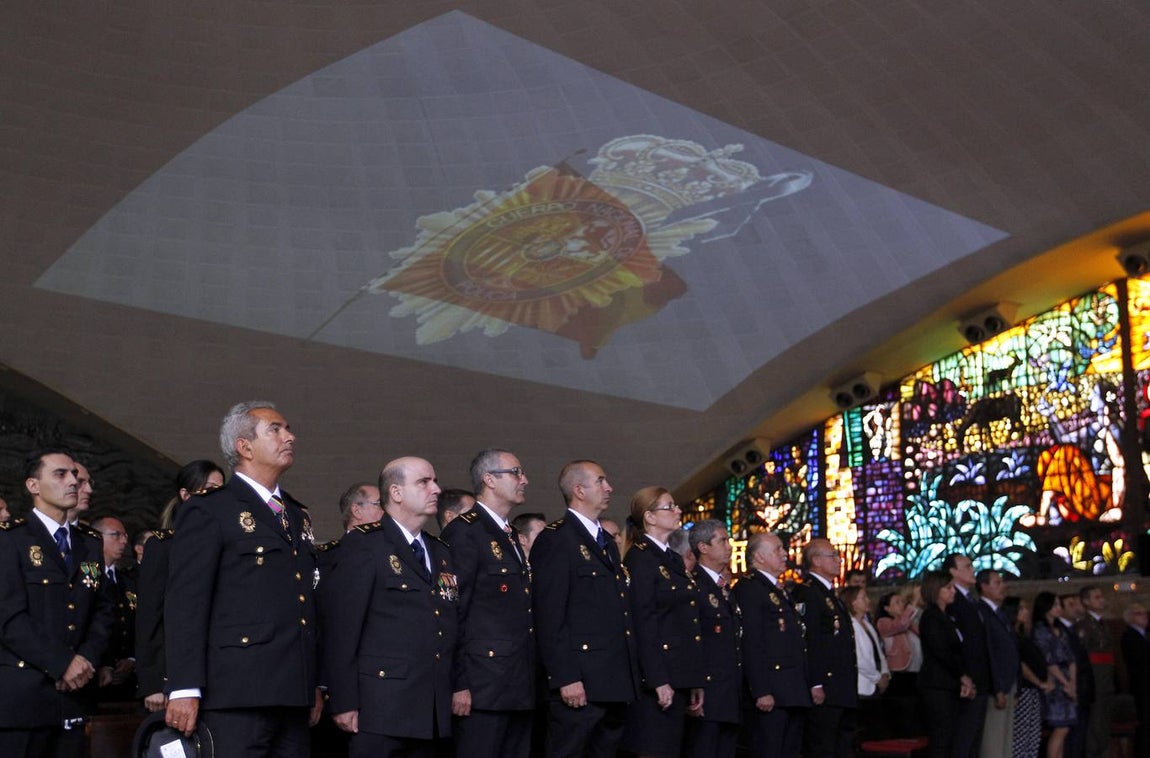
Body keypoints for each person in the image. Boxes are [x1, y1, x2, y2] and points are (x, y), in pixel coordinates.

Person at [164, 401, 321, 756]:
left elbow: (304, 601)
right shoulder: (210, 509)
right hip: (237, 692)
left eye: (288, 429)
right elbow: (186, 602)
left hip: (292, 690)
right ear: (244, 447)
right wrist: (184, 687)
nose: (289, 437)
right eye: (275, 430)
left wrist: (311, 682)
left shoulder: (295, 514)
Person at [322, 456, 459, 758]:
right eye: (423, 482)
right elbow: (343, 630)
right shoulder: (366, 545)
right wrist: (344, 700)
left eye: (435, 481)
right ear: (396, 493)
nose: (436, 489)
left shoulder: (439, 551)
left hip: (430, 710)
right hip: (380, 708)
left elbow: (447, 624)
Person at [0, 447, 115, 758]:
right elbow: (9, 618)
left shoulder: (89, 543)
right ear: (33, 485)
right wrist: (62, 663)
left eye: (74, 474)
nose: (73, 482)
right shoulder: (11, 539)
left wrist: (86, 659)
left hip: (74, 697)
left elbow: (102, 609)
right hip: (25, 699)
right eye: (60, 474)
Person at [531, 460, 639, 758]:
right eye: (600, 481)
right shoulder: (557, 538)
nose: (609, 488)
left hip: (612, 681)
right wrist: (565, 677)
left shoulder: (605, 542)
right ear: (579, 490)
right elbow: (549, 615)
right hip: (580, 682)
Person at [440, 449, 535, 758]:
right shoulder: (465, 532)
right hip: (482, 685)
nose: (524, 480)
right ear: (489, 480)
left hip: (516, 681)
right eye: (516, 472)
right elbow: (453, 611)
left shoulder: (509, 534)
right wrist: (459, 682)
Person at [619, 487, 705, 758]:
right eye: (669, 507)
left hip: (678, 674)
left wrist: (693, 678)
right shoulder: (640, 557)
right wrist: (657, 679)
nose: (678, 511)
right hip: (657, 679)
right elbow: (643, 623)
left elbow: (685, 620)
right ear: (650, 517)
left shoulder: (672, 558)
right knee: (654, 747)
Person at [134, 459, 224, 713]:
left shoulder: (225, 544)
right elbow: (150, 618)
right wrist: (154, 680)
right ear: (186, 495)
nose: (217, 496)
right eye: (209, 489)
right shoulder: (163, 546)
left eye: (221, 489)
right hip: (174, 676)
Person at [732, 531, 810, 757]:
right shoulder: (749, 588)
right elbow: (752, 641)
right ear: (759, 557)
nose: (784, 554)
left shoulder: (776, 589)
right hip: (772, 692)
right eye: (777, 549)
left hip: (791, 689)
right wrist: (761, 690)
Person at [791, 538, 857, 758]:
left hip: (841, 686)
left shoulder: (828, 593)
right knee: (823, 746)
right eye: (833, 555)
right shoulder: (808, 592)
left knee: (843, 745)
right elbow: (810, 640)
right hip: (826, 686)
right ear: (816, 560)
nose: (838, 560)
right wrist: (815, 682)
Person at [683, 519, 741, 758]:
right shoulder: (693, 584)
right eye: (722, 541)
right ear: (703, 547)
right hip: (707, 691)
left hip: (729, 691)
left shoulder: (723, 587)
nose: (729, 546)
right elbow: (692, 640)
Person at [918, 569, 975, 758]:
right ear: (936, 590)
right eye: (948, 587)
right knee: (941, 739)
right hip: (938, 685)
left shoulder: (948, 616)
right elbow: (941, 651)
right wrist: (962, 675)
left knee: (952, 738)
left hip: (950, 684)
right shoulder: (931, 617)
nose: (953, 591)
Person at [943, 553, 990, 758]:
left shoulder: (971, 600)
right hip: (967, 680)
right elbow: (958, 644)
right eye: (967, 566)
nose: (973, 570)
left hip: (980, 678)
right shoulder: (953, 602)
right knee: (964, 740)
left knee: (974, 742)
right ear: (953, 571)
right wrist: (965, 676)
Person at [91, 515, 137, 701]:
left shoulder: (129, 581)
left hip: (128, 679)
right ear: (97, 537)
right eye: (116, 535)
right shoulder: (87, 578)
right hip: (94, 675)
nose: (124, 541)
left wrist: (132, 659)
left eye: (125, 536)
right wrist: (103, 663)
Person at [977, 569, 1020, 758]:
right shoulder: (982, 612)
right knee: (993, 741)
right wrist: (997, 688)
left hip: (1008, 682)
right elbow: (989, 652)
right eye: (997, 583)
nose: (1003, 586)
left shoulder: (998, 613)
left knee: (1006, 740)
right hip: (997, 684)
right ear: (984, 587)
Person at [1032, 592, 1077, 758]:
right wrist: (1065, 683)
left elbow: (1071, 658)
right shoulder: (1040, 630)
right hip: (1054, 680)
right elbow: (1048, 660)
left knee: (1065, 728)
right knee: (1060, 727)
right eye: (1055, 605)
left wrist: (1072, 682)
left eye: (1059, 604)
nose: (1059, 608)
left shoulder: (1061, 630)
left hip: (1067, 679)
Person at [1005, 596, 1048, 758]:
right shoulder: (1011, 636)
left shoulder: (1023, 635)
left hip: (1033, 691)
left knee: (1033, 735)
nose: (1026, 612)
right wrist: (1038, 682)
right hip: (1023, 690)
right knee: (1021, 735)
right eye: (1021, 609)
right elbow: (1020, 664)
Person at [1075, 586, 1114, 758]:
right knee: (1095, 724)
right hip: (1094, 681)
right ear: (1086, 601)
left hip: (1105, 681)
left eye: (1101, 596)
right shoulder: (1084, 625)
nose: (1101, 600)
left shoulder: (1102, 624)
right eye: (1096, 597)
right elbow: (1083, 655)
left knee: (1104, 722)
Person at [1058, 593, 1094, 758]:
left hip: (1082, 690)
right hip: (1071, 690)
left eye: (1076, 604)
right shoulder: (1060, 631)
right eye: (1070, 604)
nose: (1075, 608)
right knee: (1072, 739)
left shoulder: (1074, 629)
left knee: (1080, 737)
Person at [876, 591, 922, 697]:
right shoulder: (883, 622)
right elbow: (900, 625)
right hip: (900, 672)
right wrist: (913, 603)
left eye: (902, 601)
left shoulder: (908, 622)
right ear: (887, 608)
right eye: (897, 602)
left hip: (916, 670)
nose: (902, 605)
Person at [1120, 603, 1150, 758]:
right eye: (1139, 613)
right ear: (1130, 618)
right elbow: (1140, 661)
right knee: (1146, 723)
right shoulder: (1130, 636)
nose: (1144, 616)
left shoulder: (1146, 634)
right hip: (1143, 686)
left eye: (1145, 613)